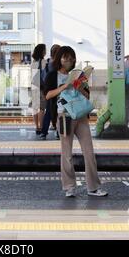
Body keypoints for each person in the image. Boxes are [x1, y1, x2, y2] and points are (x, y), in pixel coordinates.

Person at [45, 46, 108, 198]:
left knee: (89, 152)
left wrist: (79, 87)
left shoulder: (78, 75)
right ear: (59, 58)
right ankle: (69, 187)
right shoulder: (52, 75)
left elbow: (87, 96)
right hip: (64, 116)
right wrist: (65, 86)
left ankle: (93, 187)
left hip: (81, 116)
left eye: (71, 58)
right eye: (65, 57)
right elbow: (48, 95)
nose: (68, 60)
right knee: (67, 153)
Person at [39, 44, 61, 140]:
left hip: (48, 91)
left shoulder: (47, 63)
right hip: (57, 90)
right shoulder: (59, 64)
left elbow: (43, 77)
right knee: (59, 111)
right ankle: (58, 132)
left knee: (48, 111)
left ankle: (44, 132)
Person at [30, 43, 47, 135]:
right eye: (45, 50)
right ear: (42, 51)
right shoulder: (43, 62)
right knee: (42, 108)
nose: (46, 51)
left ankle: (36, 127)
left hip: (34, 86)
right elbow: (45, 76)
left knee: (35, 108)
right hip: (41, 87)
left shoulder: (33, 62)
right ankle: (41, 127)